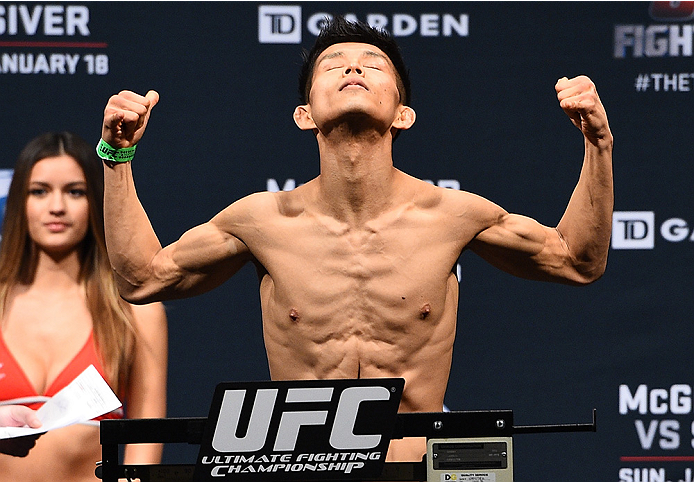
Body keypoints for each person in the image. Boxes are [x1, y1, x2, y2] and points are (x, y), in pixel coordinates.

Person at [98, 17, 613, 462]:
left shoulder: (453, 215)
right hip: (300, 470)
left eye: (372, 63)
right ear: (304, 115)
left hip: (415, 471)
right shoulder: (260, 220)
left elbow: (576, 261)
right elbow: (142, 278)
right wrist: (116, 157)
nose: (352, 68)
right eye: (333, 64)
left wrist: (598, 144)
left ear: (403, 114)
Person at [0, 132, 168, 481]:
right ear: (20, 202)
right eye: (40, 191)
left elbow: (146, 439)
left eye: (75, 191)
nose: (57, 206)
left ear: (96, 200)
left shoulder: (136, 311)